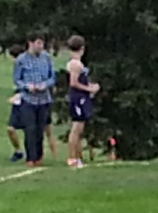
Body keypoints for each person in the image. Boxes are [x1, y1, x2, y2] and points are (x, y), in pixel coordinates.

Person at [8, 34, 56, 165]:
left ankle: (39, 156)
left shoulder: (46, 58)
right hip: (28, 99)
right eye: (38, 43)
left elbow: (52, 77)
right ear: (31, 43)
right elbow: (17, 80)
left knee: (40, 129)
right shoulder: (21, 60)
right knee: (30, 129)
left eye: (42, 43)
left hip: (43, 99)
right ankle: (30, 158)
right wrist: (27, 86)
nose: (41, 46)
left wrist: (45, 85)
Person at [60, 36, 99, 166]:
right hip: (78, 98)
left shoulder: (78, 63)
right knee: (76, 128)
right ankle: (72, 158)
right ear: (82, 48)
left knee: (80, 128)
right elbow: (74, 83)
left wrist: (91, 86)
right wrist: (89, 89)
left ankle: (77, 156)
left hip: (81, 97)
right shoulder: (75, 64)